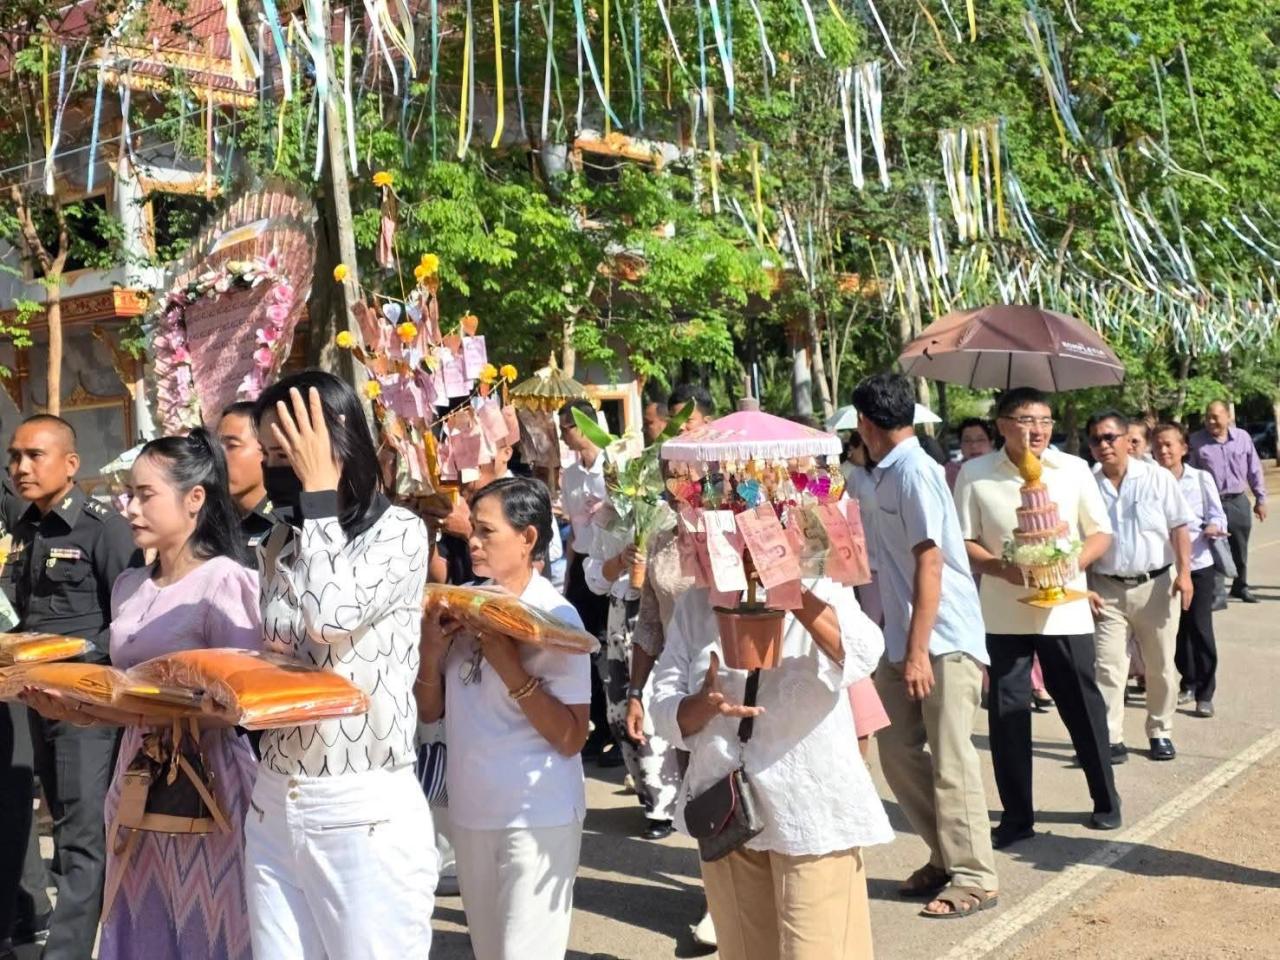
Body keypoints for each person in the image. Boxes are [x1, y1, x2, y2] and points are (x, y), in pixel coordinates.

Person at [247, 372, 436, 958]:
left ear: (337, 447)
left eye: (291, 455)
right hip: (276, 801)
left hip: (363, 812)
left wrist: (320, 500)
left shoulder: (399, 533)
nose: (278, 470)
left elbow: (330, 617)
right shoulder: (281, 539)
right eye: (271, 455)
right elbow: (281, 653)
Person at [650, 573, 892, 959]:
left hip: (810, 816)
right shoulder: (696, 604)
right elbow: (662, 706)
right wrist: (703, 703)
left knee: (818, 950)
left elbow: (863, 652)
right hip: (727, 812)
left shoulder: (824, 589)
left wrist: (791, 589)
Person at [90, 430, 262, 959]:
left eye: (145, 494)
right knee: (139, 915)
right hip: (135, 774)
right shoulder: (128, 585)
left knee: (209, 924)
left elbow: (243, 700)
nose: (131, 507)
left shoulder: (224, 581)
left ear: (194, 500)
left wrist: (154, 705)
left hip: (205, 783)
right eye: (129, 494)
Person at [416, 477, 589, 960]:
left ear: (528, 538)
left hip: (536, 815)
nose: (472, 540)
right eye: (473, 528)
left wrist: (509, 663)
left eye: (486, 531)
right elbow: (430, 712)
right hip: (471, 812)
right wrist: (432, 651)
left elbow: (572, 737)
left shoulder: (556, 617)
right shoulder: (461, 601)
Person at [853, 375, 998, 920]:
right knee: (896, 751)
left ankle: (975, 875)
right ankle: (945, 856)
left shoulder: (914, 472)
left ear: (867, 424)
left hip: (943, 640)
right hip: (902, 637)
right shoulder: (886, 474)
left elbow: (930, 560)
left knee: (952, 759)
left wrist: (918, 652)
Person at [954, 388, 1121, 848]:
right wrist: (999, 567)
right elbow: (963, 539)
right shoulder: (976, 474)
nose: (1038, 429)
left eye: (1045, 420)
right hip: (1004, 612)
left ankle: (1106, 799)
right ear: (1003, 424)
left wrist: (1073, 565)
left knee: (1082, 706)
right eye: (1027, 419)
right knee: (1008, 715)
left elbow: (1100, 532)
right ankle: (1016, 816)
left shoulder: (1072, 470)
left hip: (1065, 610)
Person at [7, 415, 140, 960]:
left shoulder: (102, 527)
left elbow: (129, 621)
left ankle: (66, 952)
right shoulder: (23, 530)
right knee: (39, 822)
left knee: (82, 836)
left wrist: (75, 656)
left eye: (34, 456)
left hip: (83, 705)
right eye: (13, 457)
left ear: (70, 464)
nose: (20, 468)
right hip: (28, 699)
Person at [1087, 412, 1193, 762]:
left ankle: (1160, 730)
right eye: (1096, 440)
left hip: (1157, 585)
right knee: (1108, 666)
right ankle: (1111, 737)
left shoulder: (1157, 478)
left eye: (1110, 437)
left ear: (1126, 440)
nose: (1103, 445)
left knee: (1161, 664)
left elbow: (1179, 526)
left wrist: (1185, 573)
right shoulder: (1087, 483)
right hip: (1106, 588)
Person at [1153, 423, 1225, 719]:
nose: (1164, 451)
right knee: (1176, 631)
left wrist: (1214, 527)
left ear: (1184, 448)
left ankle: (1205, 693)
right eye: (1158, 445)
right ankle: (1189, 682)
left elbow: (1217, 515)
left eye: (1170, 444)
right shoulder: (1151, 480)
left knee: (1200, 629)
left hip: (1197, 565)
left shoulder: (1200, 478)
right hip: (1164, 569)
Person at [558, 399, 615, 762]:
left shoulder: (615, 466)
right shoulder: (569, 475)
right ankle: (598, 726)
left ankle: (619, 729)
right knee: (583, 647)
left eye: (567, 427)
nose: (563, 435)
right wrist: (568, 577)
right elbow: (574, 531)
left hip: (613, 567)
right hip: (582, 566)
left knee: (612, 650)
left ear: (583, 425)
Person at [1190, 401, 1267, 603]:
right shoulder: (1197, 441)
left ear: (1228, 416)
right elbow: (1191, 473)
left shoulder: (1242, 438)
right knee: (1213, 546)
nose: (1211, 421)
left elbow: (1254, 468)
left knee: (1240, 548)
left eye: (1215, 416)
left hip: (1237, 500)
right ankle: (1217, 594)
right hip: (1210, 503)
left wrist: (1260, 498)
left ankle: (1240, 586)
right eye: (1208, 416)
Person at [217, 401, 276, 555]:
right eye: (217, 448)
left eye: (231, 446)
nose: (218, 457)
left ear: (266, 450)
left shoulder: (287, 524)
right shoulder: (210, 522)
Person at [945, 418, 995, 491]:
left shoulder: (1003, 469)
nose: (974, 446)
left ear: (991, 443)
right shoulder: (952, 473)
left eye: (980, 440)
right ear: (960, 445)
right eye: (967, 441)